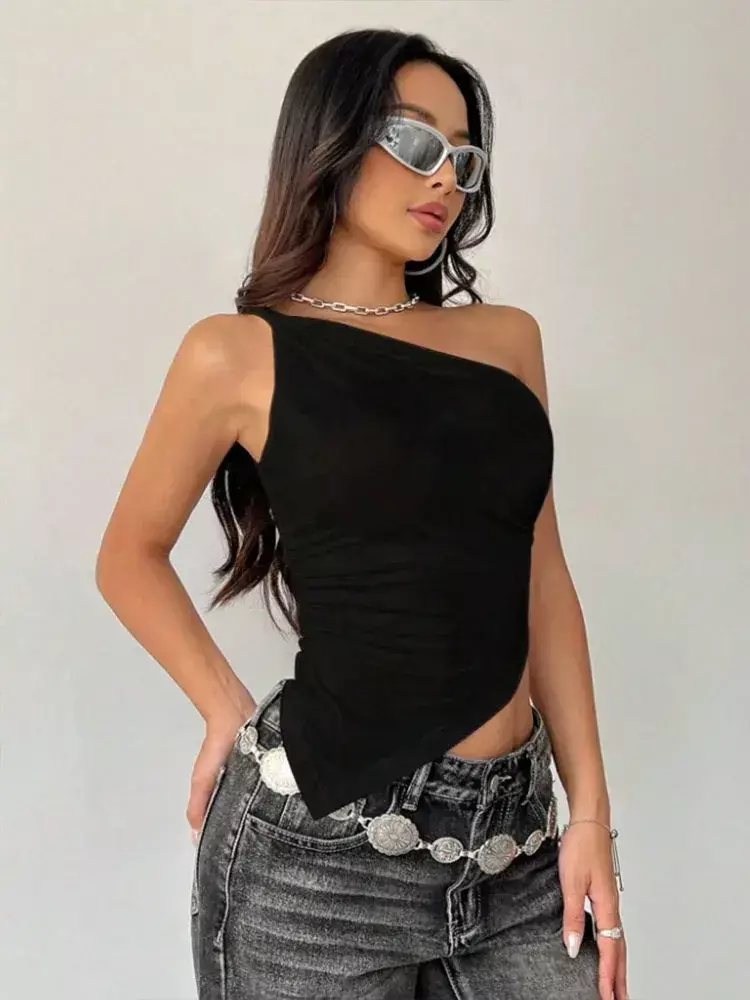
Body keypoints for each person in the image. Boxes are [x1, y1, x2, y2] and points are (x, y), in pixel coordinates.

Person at [95, 27, 628, 1000]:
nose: (446, 178)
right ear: (332, 140)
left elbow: (542, 573)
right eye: (415, 142)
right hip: (321, 853)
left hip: (517, 848)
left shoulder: (507, 342)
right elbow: (128, 553)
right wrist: (225, 709)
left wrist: (588, 809)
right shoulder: (236, 353)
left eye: (464, 158)